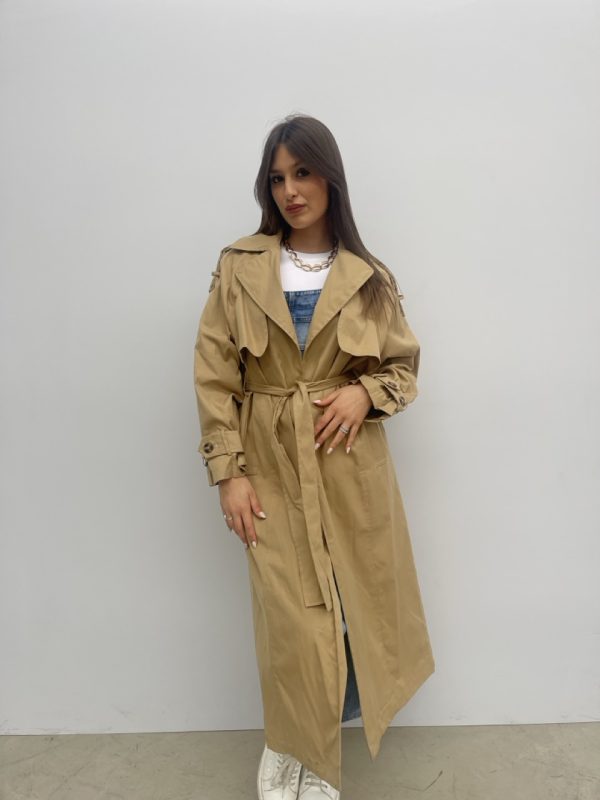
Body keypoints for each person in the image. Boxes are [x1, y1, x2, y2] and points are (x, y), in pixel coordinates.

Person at [193, 114, 435, 799]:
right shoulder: (240, 266)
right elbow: (214, 374)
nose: (290, 191)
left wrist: (364, 392)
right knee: (290, 616)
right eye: (277, 178)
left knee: (353, 609)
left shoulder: (368, 276)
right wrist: (228, 472)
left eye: (302, 173)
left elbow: (403, 368)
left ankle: (319, 751)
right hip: (270, 459)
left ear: (331, 177)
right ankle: (289, 746)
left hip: (349, 465)